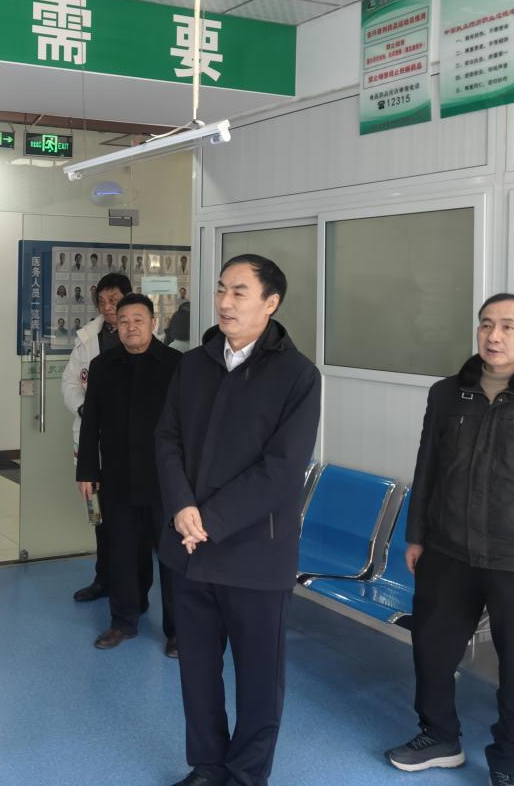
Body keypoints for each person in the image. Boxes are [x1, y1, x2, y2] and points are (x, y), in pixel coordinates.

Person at [385, 294, 514, 786]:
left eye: (506, 326)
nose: (493, 336)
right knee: (432, 648)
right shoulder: (447, 394)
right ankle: (439, 736)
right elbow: (427, 469)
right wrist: (416, 536)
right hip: (447, 549)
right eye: (485, 325)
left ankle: (509, 762)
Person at [156, 254, 320, 786]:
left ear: (271, 303)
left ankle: (247, 774)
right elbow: (167, 439)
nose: (225, 302)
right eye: (221, 289)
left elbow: (282, 470)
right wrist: (181, 506)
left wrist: (208, 519)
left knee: (258, 679)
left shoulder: (297, 375)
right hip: (189, 549)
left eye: (239, 292)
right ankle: (207, 766)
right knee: (197, 669)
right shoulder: (193, 364)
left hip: (255, 553)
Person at [77, 294, 181, 655]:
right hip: (117, 476)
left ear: (154, 323)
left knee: (171, 556)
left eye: (138, 319)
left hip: (164, 479)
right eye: (123, 321)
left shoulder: (176, 365)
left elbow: (190, 425)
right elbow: (91, 422)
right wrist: (87, 471)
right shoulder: (103, 365)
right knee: (120, 551)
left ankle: (178, 630)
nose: (131, 327)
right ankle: (123, 621)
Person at [61, 272, 133, 603]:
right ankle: (103, 578)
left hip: (131, 442)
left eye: (114, 300)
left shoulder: (142, 334)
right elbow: (70, 382)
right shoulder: (88, 337)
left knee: (130, 519)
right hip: (96, 440)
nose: (107, 307)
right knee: (99, 515)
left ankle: (131, 585)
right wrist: (85, 409)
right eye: (102, 301)